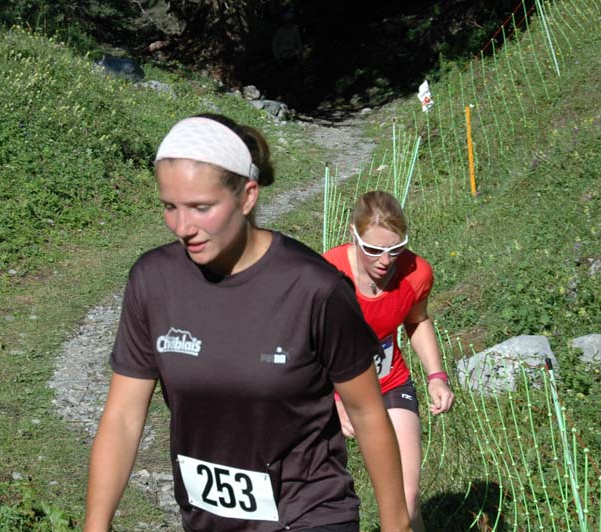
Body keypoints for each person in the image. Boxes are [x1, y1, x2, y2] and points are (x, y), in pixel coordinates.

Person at [84, 115, 412, 532]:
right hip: (208, 520)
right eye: (170, 207)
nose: (183, 228)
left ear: (247, 196)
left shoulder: (315, 288)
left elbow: (367, 412)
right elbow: (123, 416)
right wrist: (95, 525)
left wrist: (397, 524)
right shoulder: (153, 281)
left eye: (201, 208)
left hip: (307, 514)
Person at [322, 191, 455, 532]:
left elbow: (417, 320)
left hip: (389, 383)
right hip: (332, 391)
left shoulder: (416, 273)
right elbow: (307, 345)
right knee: (321, 506)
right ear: (353, 234)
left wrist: (436, 376)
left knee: (405, 500)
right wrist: (334, 400)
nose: (385, 260)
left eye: (395, 249)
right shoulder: (327, 274)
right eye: (373, 249)